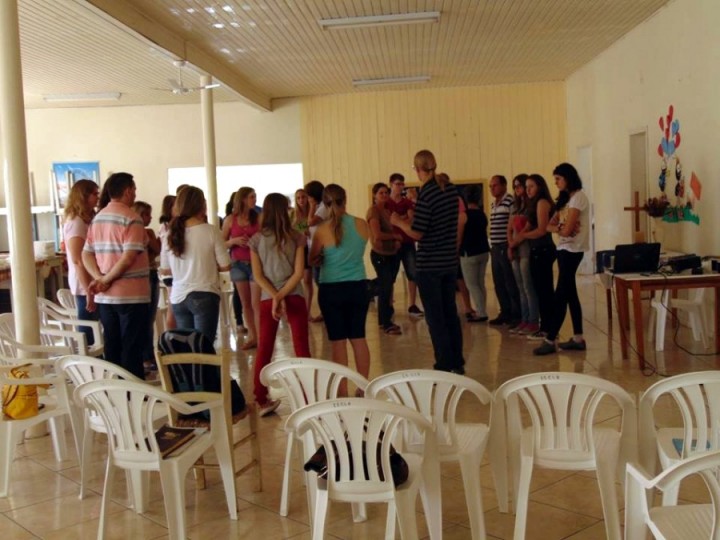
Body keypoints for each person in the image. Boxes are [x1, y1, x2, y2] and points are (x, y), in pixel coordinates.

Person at [391, 150, 464, 374]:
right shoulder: (449, 188)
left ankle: (443, 364)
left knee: (435, 318)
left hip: (430, 264)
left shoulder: (428, 193)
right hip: (449, 261)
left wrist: (398, 222)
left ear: (419, 169)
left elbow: (418, 233)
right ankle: (457, 362)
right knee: (450, 313)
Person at [82, 172, 150, 379]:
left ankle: (115, 393)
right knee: (131, 346)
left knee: (112, 344)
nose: (135, 194)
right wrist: (105, 279)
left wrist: (100, 277)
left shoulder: (98, 218)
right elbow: (128, 257)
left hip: (106, 296)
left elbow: (86, 253)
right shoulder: (132, 218)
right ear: (128, 191)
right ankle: (134, 394)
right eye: (134, 190)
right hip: (132, 295)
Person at [249, 193, 311, 416]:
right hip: (294, 295)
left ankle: (260, 397)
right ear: (287, 210)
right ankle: (307, 397)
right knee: (301, 347)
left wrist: (275, 296)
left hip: (268, 298)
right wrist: (283, 295)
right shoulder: (297, 237)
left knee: (264, 347)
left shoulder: (256, 240)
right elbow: (298, 273)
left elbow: (257, 275)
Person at [310, 184, 370, 391]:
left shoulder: (321, 230)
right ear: (345, 200)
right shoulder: (362, 224)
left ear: (324, 204)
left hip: (331, 289)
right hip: (358, 286)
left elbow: (313, 259)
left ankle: (342, 391)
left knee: (338, 342)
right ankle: (363, 389)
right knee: (359, 338)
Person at [161, 186, 230, 342]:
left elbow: (165, 270)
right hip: (205, 293)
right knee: (204, 349)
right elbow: (225, 265)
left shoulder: (169, 233)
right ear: (202, 205)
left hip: (178, 297)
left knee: (188, 348)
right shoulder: (211, 231)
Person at [534, 163, 590, 355]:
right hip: (563, 248)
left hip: (573, 250)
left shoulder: (579, 198)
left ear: (568, 178)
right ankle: (578, 337)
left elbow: (566, 229)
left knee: (561, 295)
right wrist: (560, 229)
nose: (556, 183)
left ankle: (550, 339)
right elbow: (549, 226)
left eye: (558, 179)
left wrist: (561, 229)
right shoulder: (566, 199)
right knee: (570, 293)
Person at [516, 174, 556, 341]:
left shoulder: (542, 203)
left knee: (545, 290)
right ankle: (545, 326)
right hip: (537, 250)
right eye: (526, 187)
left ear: (540, 186)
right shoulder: (533, 204)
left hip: (543, 249)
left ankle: (548, 328)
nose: (528, 190)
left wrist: (524, 235)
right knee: (539, 289)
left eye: (531, 186)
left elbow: (541, 230)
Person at [62, 179, 100, 345]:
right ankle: (89, 365)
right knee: (88, 327)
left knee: (95, 326)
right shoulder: (76, 223)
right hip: (83, 282)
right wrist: (88, 292)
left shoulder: (86, 220)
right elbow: (78, 260)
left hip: (91, 279)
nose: (97, 198)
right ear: (83, 197)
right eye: (94, 194)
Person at [222, 187, 260, 349]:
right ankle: (253, 335)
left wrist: (254, 241)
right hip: (238, 263)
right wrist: (234, 241)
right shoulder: (230, 220)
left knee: (256, 302)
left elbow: (265, 238)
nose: (254, 200)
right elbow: (221, 243)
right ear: (243, 199)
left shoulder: (258, 217)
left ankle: (260, 335)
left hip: (255, 263)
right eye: (252, 197)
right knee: (246, 303)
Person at [385, 173, 423, 318]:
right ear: (391, 184)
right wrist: (402, 218)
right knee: (391, 275)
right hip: (392, 242)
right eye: (397, 184)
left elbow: (412, 219)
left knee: (412, 273)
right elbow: (387, 220)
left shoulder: (407, 202)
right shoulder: (386, 202)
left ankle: (412, 304)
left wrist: (398, 219)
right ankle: (389, 305)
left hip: (407, 241)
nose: (400, 187)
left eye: (402, 184)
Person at [367, 182, 402, 334]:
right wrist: (395, 236)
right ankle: (386, 322)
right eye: (381, 193)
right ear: (374, 195)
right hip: (380, 254)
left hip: (392, 253)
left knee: (387, 284)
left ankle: (385, 319)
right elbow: (377, 235)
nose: (384, 195)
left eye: (386, 193)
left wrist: (397, 241)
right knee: (385, 287)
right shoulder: (374, 211)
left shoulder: (388, 211)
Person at [507, 174, 540, 335]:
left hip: (525, 249)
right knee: (520, 287)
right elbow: (510, 227)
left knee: (528, 286)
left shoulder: (530, 206)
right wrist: (510, 244)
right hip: (515, 249)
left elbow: (527, 228)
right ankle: (524, 319)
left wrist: (515, 242)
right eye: (515, 187)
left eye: (520, 185)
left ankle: (533, 320)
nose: (518, 189)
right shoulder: (515, 206)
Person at [132, 201, 162, 369]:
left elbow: (157, 249)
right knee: (144, 318)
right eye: (147, 215)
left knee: (149, 318)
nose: (150, 218)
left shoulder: (148, 232)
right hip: (144, 275)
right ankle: (146, 356)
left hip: (151, 273)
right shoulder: (139, 232)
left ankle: (148, 354)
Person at [488, 174, 521, 326]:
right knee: (498, 282)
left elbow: (512, 225)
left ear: (503, 185)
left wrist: (511, 245)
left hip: (504, 245)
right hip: (494, 247)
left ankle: (516, 314)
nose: (492, 188)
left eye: (494, 185)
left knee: (510, 281)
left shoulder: (510, 201)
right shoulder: (494, 204)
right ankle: (505, 312)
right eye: (490, 186)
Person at [458, 184, 490, 322]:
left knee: (472, 284)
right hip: (483, 251)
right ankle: (482, 309)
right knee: (480, 283)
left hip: (469, 253)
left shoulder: (463, 216)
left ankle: (481, 312)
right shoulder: (482, 215)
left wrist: (455, 250)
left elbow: (459, 237)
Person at [304, 180, 328, 322]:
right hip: (311, 246)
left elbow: (310, 222)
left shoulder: (322, 207)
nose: (306, 199)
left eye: (307, 196)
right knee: (317, 281)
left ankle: (326, 311)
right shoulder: (317, 207)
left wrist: (311, 207)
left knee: (321, 282)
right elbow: (304, 226)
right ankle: (324, 311)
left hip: (321, 249)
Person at [290, 188, 314, 319]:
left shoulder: (313, 212)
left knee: (308, 281)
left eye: (303, 197)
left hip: (310, 248)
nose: (301, 200)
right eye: (298, 198)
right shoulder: (293, 215)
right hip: (298, 249)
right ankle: (295, 311)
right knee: (296, 279)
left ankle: (307, 310)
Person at [157, 194, 177, 330]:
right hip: (170, 272)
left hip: (173, 271)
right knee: (173, 307)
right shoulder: (166, 228)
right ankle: (171, 337)